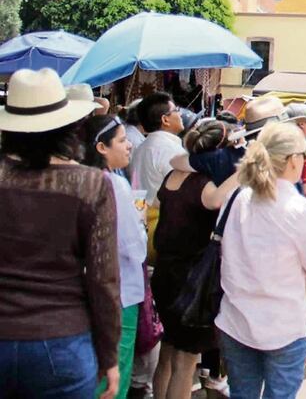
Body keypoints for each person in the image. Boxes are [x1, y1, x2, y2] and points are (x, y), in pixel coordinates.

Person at [0, 68, 120, 399]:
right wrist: (109, 354)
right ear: (68, 127)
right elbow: (103, 278)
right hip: (62, 341)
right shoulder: (92, 184)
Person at [216, 122, 306, 398]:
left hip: (236, 318)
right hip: (284, 323)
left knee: (241, 393)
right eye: (304, 155)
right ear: (292, 160)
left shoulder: (237, 198)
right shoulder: (300, 209)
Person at [150, 121, 238, 399]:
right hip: (192, 281)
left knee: (166, 354)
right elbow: (215, 201)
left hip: (164, 273)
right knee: (185, 363)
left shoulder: (172, 175)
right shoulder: (205, 184)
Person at [82, 114, 147, 399]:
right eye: (122, 141)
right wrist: (141, 225)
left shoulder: (80, 179)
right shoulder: (114, 185)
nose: (129, 146)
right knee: (114, 376)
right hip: (120, 292)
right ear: (101, 147)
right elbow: (134, 248)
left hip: (87, 291)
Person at [130, 92, 186, 262]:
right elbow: (181, 195)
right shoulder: (170, 151)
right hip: (161, 227)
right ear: (165, 119)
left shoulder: (143, 147)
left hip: (143, 224)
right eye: (176, 110)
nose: (181, 114)